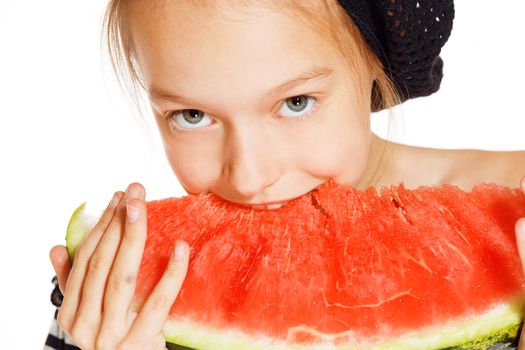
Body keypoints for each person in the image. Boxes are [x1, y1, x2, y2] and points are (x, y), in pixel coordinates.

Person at [45, 0, 525, 349]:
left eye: (296, 103)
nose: (250, 177)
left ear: (373, 66)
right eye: (191, 115)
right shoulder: (115, 296)